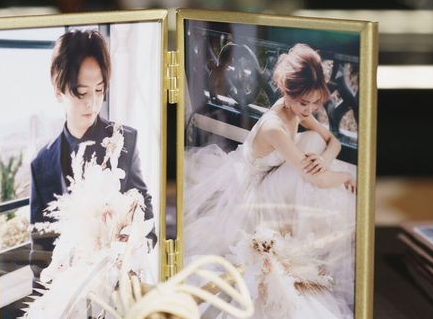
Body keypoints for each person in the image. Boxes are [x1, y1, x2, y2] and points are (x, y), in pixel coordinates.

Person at [184, 43, 357, 318]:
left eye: (315, 103)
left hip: (276, 174)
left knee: (314, 142)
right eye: (304, 103)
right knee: (312, 175)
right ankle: (307, 244)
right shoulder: (274, 126)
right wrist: (346, 176)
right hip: (255, 193)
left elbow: (332, 140)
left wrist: (324, 159)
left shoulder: (297, 109)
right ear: (287, 94)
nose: (310, 109)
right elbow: (315, 179)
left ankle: (312, 242)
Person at [28, 29, 157, 280]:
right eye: (81, 92)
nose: (92, 103)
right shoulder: (42, 165)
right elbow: (40, 256)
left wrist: (129, 249)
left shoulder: (125, 141)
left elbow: (147, 219)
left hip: (120, 287)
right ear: (58, 90)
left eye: (99, 90)